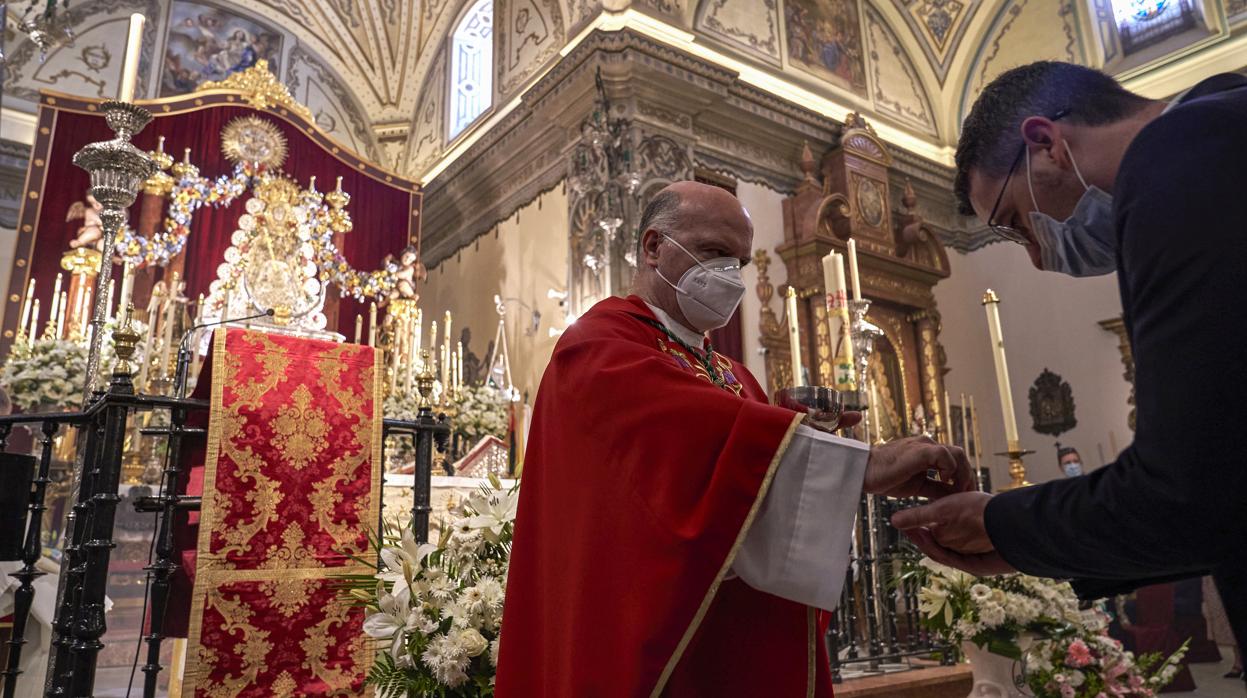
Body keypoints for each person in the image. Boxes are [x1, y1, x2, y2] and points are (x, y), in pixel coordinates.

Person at [496, 181, 974, 696]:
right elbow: (686, 443)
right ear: (654, 247)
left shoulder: (734, 374)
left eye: (739, 261)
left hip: (734, 644)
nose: (729, 275)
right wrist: (856, 464)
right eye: (714, 252)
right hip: (649, 641)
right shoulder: (597, 348)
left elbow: (754, 484)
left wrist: (823, 447)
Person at [890, 62, 1247, 658]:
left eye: (1013, 225)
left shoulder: (1180, 154)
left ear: (1046, 145)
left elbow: (1196, 489)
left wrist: (999, 524)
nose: (1034, 257)